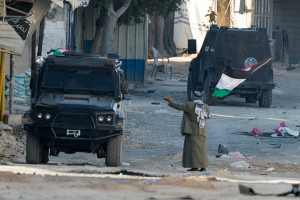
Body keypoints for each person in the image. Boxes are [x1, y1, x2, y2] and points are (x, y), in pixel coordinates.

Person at [163, 91, 211, 171]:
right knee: (202, 150)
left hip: (192, 131)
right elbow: (208, 116)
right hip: (202, 132)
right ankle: (203, 167)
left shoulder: (189, 105)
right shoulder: (205, 106)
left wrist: (170, 101)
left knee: (193, 151)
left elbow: (178, 106)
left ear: (192, 97)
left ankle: (195, 167)